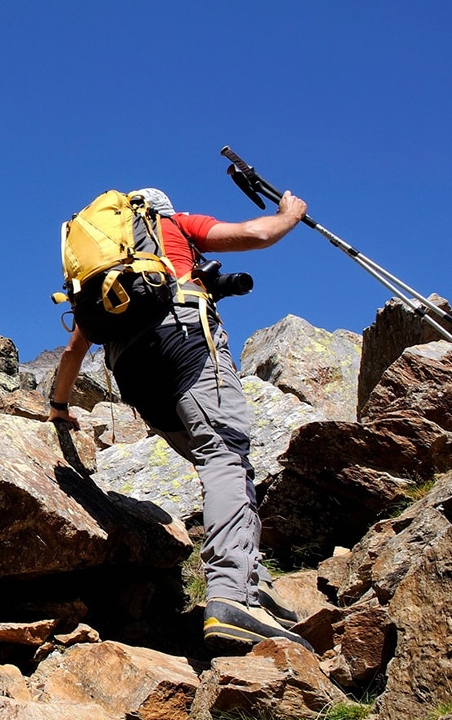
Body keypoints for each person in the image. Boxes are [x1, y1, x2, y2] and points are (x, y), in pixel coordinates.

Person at [47, 186, 314, 653]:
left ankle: (256, 583)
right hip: (186, 344)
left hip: (134, 373)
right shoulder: (173, 225)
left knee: (213, 460)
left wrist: (59, 406)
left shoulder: (108, 277)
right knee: (225, 457)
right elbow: (257, 233)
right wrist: (289, 214)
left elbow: (75, 347)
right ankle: (234, 597)